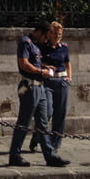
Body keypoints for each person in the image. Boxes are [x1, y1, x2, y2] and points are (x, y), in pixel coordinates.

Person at [7, 20, 69, 168]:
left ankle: (50, 155)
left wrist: (45, 67)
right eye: (46, 36)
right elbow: (24, 64)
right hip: (30, 86)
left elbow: (35, 62)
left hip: (40, 86)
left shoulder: (36, 45)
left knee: (43, 123)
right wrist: (41, 71)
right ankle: (14, 155)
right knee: (24, 122)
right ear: (40, 32)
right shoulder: (25, 42)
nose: (46, 40)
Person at [42, 21, 71, 153]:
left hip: (61, 80)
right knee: (47, 112)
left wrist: (69, 78)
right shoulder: (43, 47)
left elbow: (67, 63)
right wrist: (45, 67)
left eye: (59, 34)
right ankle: (39, 136)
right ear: (49, 33)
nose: (56, 36)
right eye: (54, 33)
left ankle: (55, 142)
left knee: (60, 112)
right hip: (48, 80)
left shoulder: (64, 48)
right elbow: (38, 62)